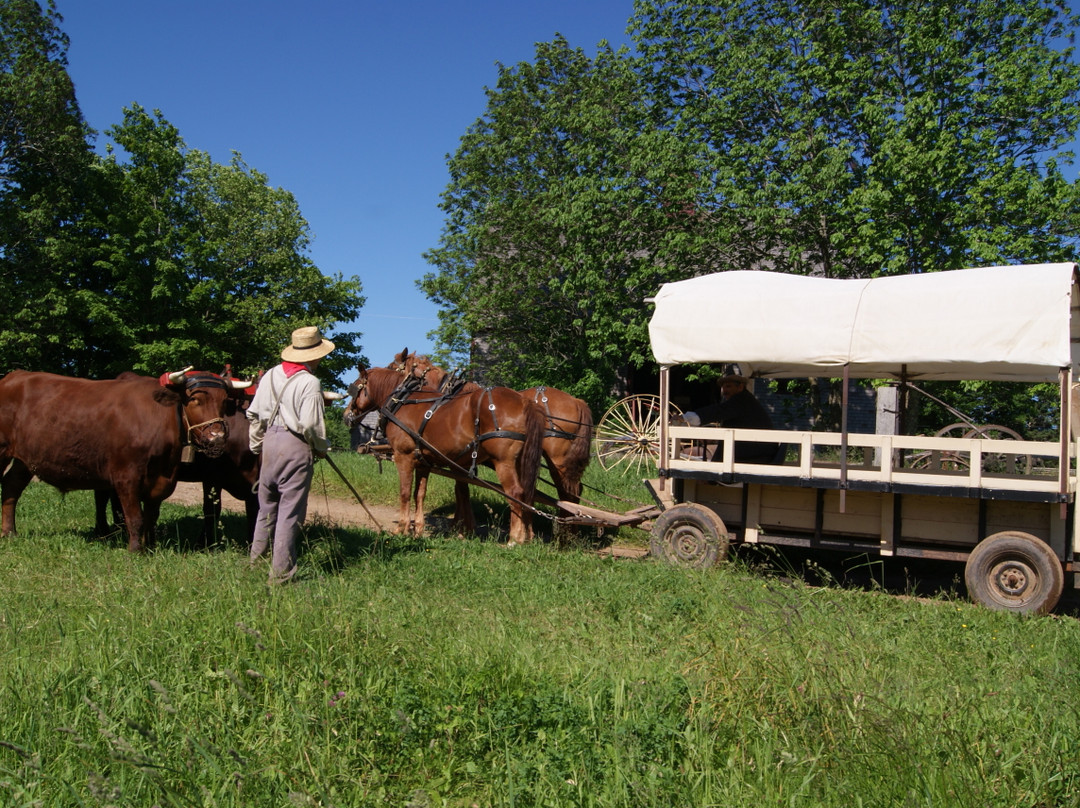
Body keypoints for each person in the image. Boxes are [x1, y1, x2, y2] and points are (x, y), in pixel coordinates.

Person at [246, 326, 335, 584]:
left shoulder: (271, 374)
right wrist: (321, 446)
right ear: (313, 355)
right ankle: (281, 575)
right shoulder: (310, 382)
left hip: (269, 445)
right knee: (290, 513)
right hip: (295, 446)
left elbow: (254, 415)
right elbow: (310, 425)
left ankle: (255, 564)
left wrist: (257, 446)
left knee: (266, 508)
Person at [683, 373, 781, 464]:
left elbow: (718, 411)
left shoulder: (741, 400)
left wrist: (685, 417)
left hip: (757, 454)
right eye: (723, 387)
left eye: (728, 386)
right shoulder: (744, 400)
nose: (724, 391)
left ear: (740, 387)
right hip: (760, 451)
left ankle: (714, 479)